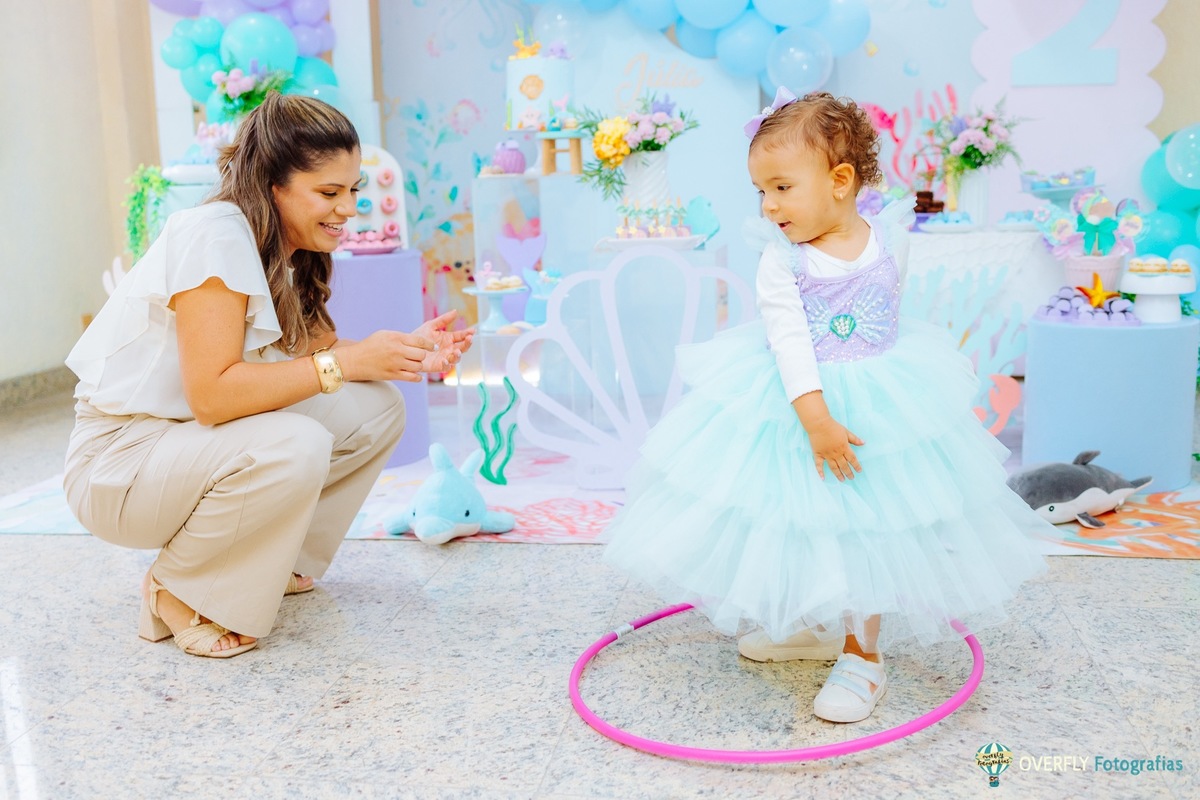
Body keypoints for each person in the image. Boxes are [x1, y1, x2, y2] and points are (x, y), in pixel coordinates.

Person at [601, 89, 1052, 723]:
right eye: (761, 191)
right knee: (799, 521)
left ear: (840, 181)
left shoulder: (889, 235)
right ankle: (813, 624)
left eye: (782, 188)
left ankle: (863, 657)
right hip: (803, 405)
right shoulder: (780, 260)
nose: (768, 205)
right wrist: (816, 421)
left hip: (880, 408)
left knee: (867, 527)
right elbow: (789, 343)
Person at [63, 93, 473, 659]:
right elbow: (212, 396)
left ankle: (273, 564)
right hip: (122, 465)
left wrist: (405, 351)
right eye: (328, 193)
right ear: (272, 185)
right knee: (295, 441)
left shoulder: (284, 248)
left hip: (184, 450)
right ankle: (177, 588)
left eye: (353, 190)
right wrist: (344, 364)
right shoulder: (214, 232)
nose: (348, 208)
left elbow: (324, 357)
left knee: (376, 406)